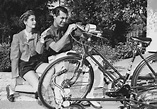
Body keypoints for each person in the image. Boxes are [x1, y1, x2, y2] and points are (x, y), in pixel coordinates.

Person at [41, 6, 102, 108]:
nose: (64, 21)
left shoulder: (67, 27)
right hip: (55, 60)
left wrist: (88, 31)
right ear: (54, 16)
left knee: (93, 63)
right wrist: (67, 32)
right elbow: (56, 48)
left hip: (70, 57)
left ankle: (87, 96)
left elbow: (83, 36)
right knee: (62, 64)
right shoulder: (48, 32)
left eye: (66, 18)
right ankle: (60, 100)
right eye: (61, 18)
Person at [6, 10, 45, 101]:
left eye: (35, 20)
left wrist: (42, 42)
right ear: (25, 22)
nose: (35, 22)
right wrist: (14, 77)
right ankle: (11, 88)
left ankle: (38, 91)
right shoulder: (17, 36)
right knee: (37, 86)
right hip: (25, 65)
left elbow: (39, 51)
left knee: (51, 69)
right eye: (32, 20)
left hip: (36, 62)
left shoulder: (36, 35)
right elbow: (14, 57)